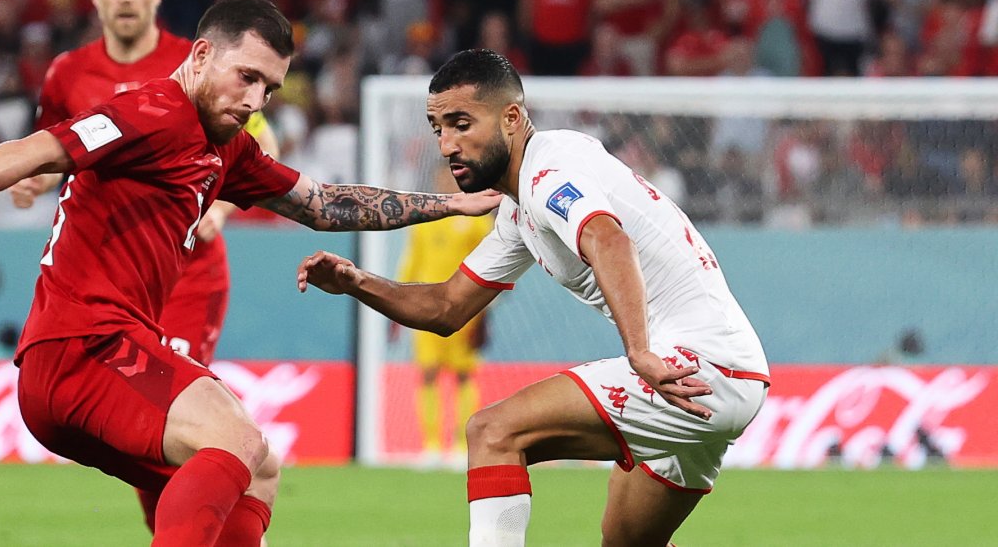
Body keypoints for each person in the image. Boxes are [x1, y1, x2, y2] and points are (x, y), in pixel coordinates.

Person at [0, 0, 501, 547]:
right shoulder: (151, 112)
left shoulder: (226, 149)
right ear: (203, 54)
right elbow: (38, 148)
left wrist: (449, 202)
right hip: (80, 347)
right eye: (246, 76)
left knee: (261, 465)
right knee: (235, 439)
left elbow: (324, 205)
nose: (256, 98)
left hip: (105, 351)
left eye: (269, 87)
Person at [296, 49, 769, 547]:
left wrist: (639, 353)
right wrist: (356, 282)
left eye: (461, 124)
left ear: (511, 118)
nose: (448, 144)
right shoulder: (520, 209)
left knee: (493, 432)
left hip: (695, 366)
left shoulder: (549, 175)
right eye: (438, 128)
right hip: (721, 372)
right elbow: (446, 308)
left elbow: (609, 240)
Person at [8, 0, 277, 531]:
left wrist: (222, 208)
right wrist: (29, 183)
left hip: (185, 278)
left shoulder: (201, 62)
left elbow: (258, 151)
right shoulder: (67, 74)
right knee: (184, 438)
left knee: (194, 432)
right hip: (105, 285)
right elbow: (52, 151)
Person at [395, 166, 493, 469]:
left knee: (464, 374)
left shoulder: (476, 218)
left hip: (464, 307)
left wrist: (484, 310)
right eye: (441, 177)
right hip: (425, 305)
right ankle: (432, 446)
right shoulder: (423, 219)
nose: (445, 181)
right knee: (428, 373)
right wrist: (398, 304)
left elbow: (491, 262)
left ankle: (463, 446)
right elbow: (412, 260)